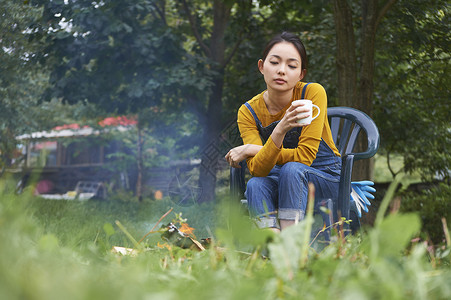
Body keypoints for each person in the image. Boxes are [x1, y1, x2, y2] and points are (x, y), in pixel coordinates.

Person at [225, 32, 341, 231]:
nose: (281, 71)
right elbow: (258, 170)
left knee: (292, 169)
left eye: (292, 66)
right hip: (281, 177)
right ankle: (271, 243)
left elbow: (304, 157)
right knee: (255, 184)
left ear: (301, 74)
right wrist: (280, 129)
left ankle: (290, 240)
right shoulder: (249, 112)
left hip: (324, 176)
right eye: (275, 62)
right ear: (262, 66)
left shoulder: (312, 94)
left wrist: (252, 149)